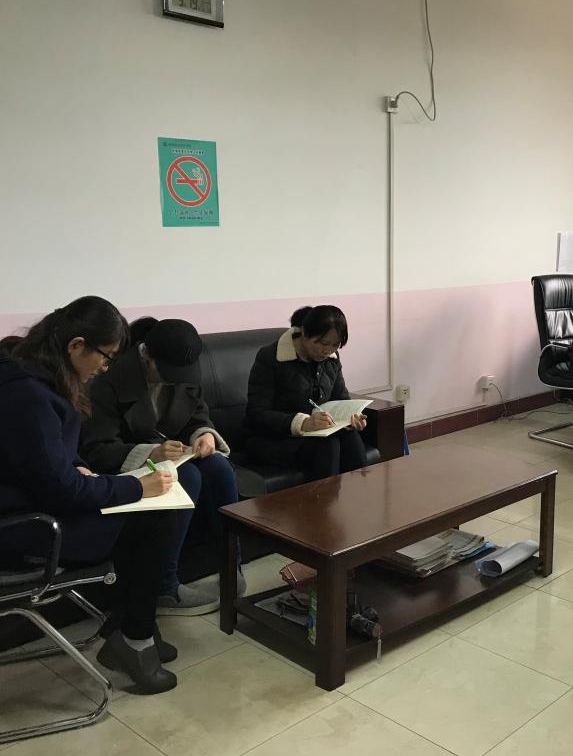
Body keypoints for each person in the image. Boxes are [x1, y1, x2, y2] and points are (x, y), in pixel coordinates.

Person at [0, 297, 178, 694]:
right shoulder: (28, 395)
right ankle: (135, 639)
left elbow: (48, 455)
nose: (106, 367)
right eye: (106, 356)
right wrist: (137, 486)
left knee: (145, 515)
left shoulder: (33, 375)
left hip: (35, 505)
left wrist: (78, 465)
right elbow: (60, 489)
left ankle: (131, 627)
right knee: (152, 517)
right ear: (76, 345)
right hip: (26, 527)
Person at [79, 318, 241, 616]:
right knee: (185, 475)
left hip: (172, 455)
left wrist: (204, 434)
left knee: (218, 467)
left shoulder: (186, 369)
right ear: (145, 354)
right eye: (166, 372)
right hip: (123, 467)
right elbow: (96, 449)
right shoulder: (108, 380)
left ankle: (231, 566)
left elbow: (198, 416)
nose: (174, 380)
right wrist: (151, 451)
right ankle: (164, 587)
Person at [245, 305, 368, 480]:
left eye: (335, 345)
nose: (328, 351)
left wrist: (351, 417)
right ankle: (324, 498)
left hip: (316, 434)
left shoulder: (331, 359)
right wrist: (302, 423)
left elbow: (340, 397)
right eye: (323, 343)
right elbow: (256, 414)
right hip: (273, 438)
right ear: (304, 332)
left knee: (350, 438)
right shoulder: (270, 358)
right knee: (327, 445)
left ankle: (362, 493)